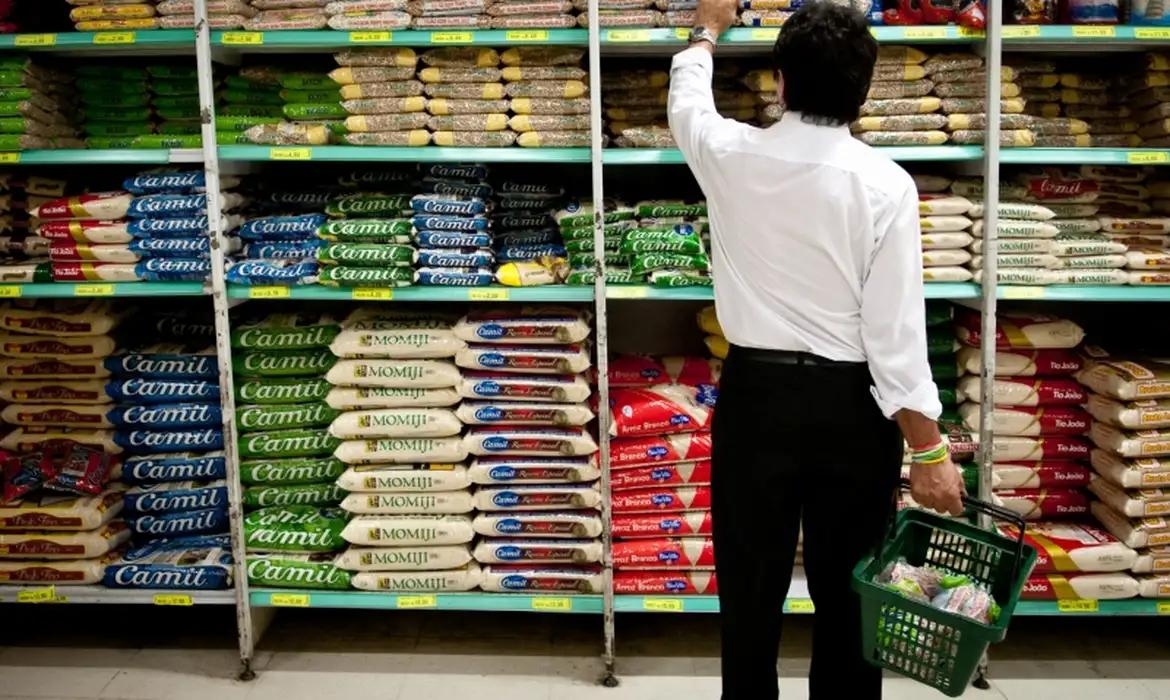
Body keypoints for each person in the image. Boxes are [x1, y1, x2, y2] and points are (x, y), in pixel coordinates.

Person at [668, 2, 967, 699]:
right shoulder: (886, 185)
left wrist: (706, 33)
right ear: (864, 89)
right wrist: (928, 451)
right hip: (852, 410)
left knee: (750, 591)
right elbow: (895, 332)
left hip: (756, 399)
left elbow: (687, 104)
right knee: (851, 594)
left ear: (780, 81)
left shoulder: (730, 154)